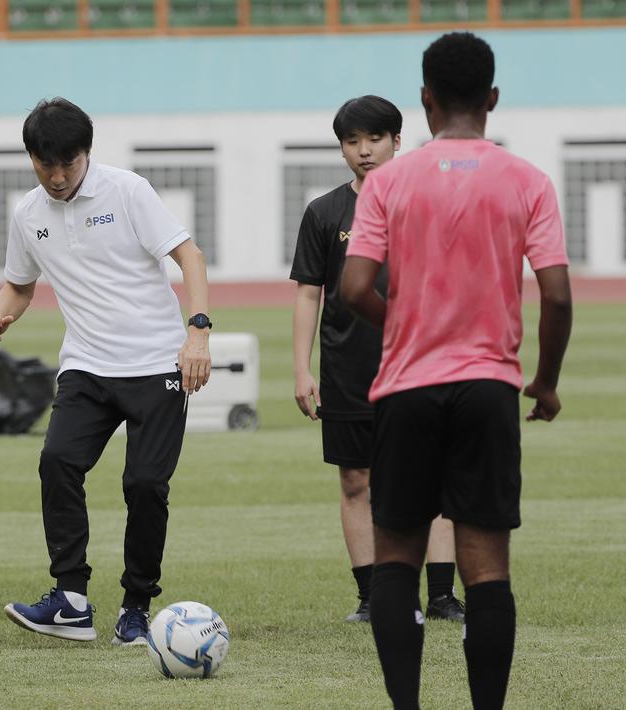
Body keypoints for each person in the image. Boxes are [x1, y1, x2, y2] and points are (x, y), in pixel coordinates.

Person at [340, 32, 572, 710]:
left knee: (396, 559)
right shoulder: (527, 179)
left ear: (424, 100)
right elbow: (556, 294)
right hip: (488, 388)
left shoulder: (386, 181)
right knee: (486, 572)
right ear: (492, 98)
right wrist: (546, 380)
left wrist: (404, 325)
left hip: (407, 389)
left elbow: (353, 287)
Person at [0, 98, 211, 646]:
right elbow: (21, 282)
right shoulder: (28, 214)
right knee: (57, 461)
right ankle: (71, 601)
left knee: (145, 484)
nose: (58, 177)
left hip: (157, 364)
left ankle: (135, 607)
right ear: (31, 158)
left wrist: (196, 331)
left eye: (69, 163)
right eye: (45, 164)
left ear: (87, 153)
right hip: (86, 365)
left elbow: (190, 257)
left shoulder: (127, 191)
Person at [290, 95, 463, 624]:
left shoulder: (430, 202)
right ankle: (372, 598)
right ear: (341, 147)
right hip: (348, 370)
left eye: (374, 139)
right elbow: (307, 294)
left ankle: (440, 597)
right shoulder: (324, 212)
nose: (364, 151)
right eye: (352, 141)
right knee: (355, 482)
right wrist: (302, 367)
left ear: (396, 140)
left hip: (421, 365)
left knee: (431, 481)